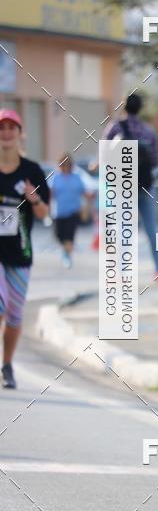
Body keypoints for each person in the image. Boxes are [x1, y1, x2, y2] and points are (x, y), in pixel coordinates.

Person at [0, 109, 50, 389]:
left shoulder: (32, 171)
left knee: (15, 315)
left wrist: (34, 200)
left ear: (20, 134)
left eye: (11, 127)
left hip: (21, 254)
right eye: (1, 128)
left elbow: (45, 214)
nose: (6, 132)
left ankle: (6, 365)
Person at [103, 92, 158, 280]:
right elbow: (155, 161)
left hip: (123, 187)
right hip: (145, 185)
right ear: (141, 108)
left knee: (123, 229)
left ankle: (123, 271)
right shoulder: (149, 131)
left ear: (123, 107)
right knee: (151, 228)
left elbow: (105, 155)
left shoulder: (114, 128)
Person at [48, 153, 91, 268]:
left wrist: (89, 201)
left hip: (73, 211)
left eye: (68, 164)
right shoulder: (56, 177)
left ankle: (67, 256)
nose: (66, 166)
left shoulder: (76, 177)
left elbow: (84, 192)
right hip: (59, 212)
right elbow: (50, 194)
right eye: (64, 164)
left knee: (69, 236)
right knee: (59, 235)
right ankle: (65, 250)